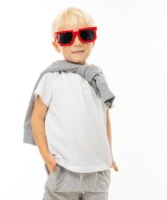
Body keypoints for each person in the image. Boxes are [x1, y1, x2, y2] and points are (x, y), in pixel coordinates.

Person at [24, 6, 119, 200]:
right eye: (67, 37)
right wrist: (47, 157)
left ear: (94, 39)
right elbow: (37, 117)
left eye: (85, 34)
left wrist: (109, 155)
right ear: (56, 44)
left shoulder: (97, 79)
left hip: (98, 171)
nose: (77, 42)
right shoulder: (52, 77)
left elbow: (105, 120)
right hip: (64, 169)